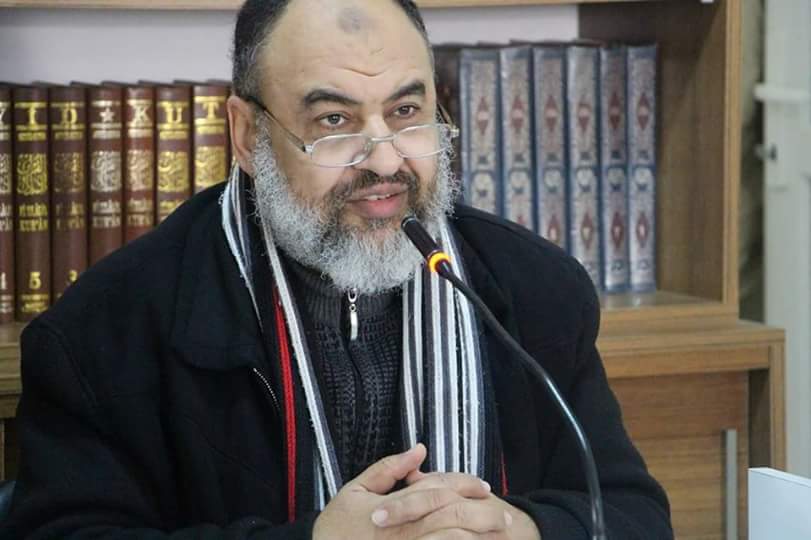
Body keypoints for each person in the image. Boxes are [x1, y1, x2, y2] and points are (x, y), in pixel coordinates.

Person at [1, 0, 673, 538]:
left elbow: (631, 513)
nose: (384, 161)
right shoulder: (104, 332)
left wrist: (523, 529)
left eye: (406, 113)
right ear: (247, 136)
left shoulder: (534, 290)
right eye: (333, 120)